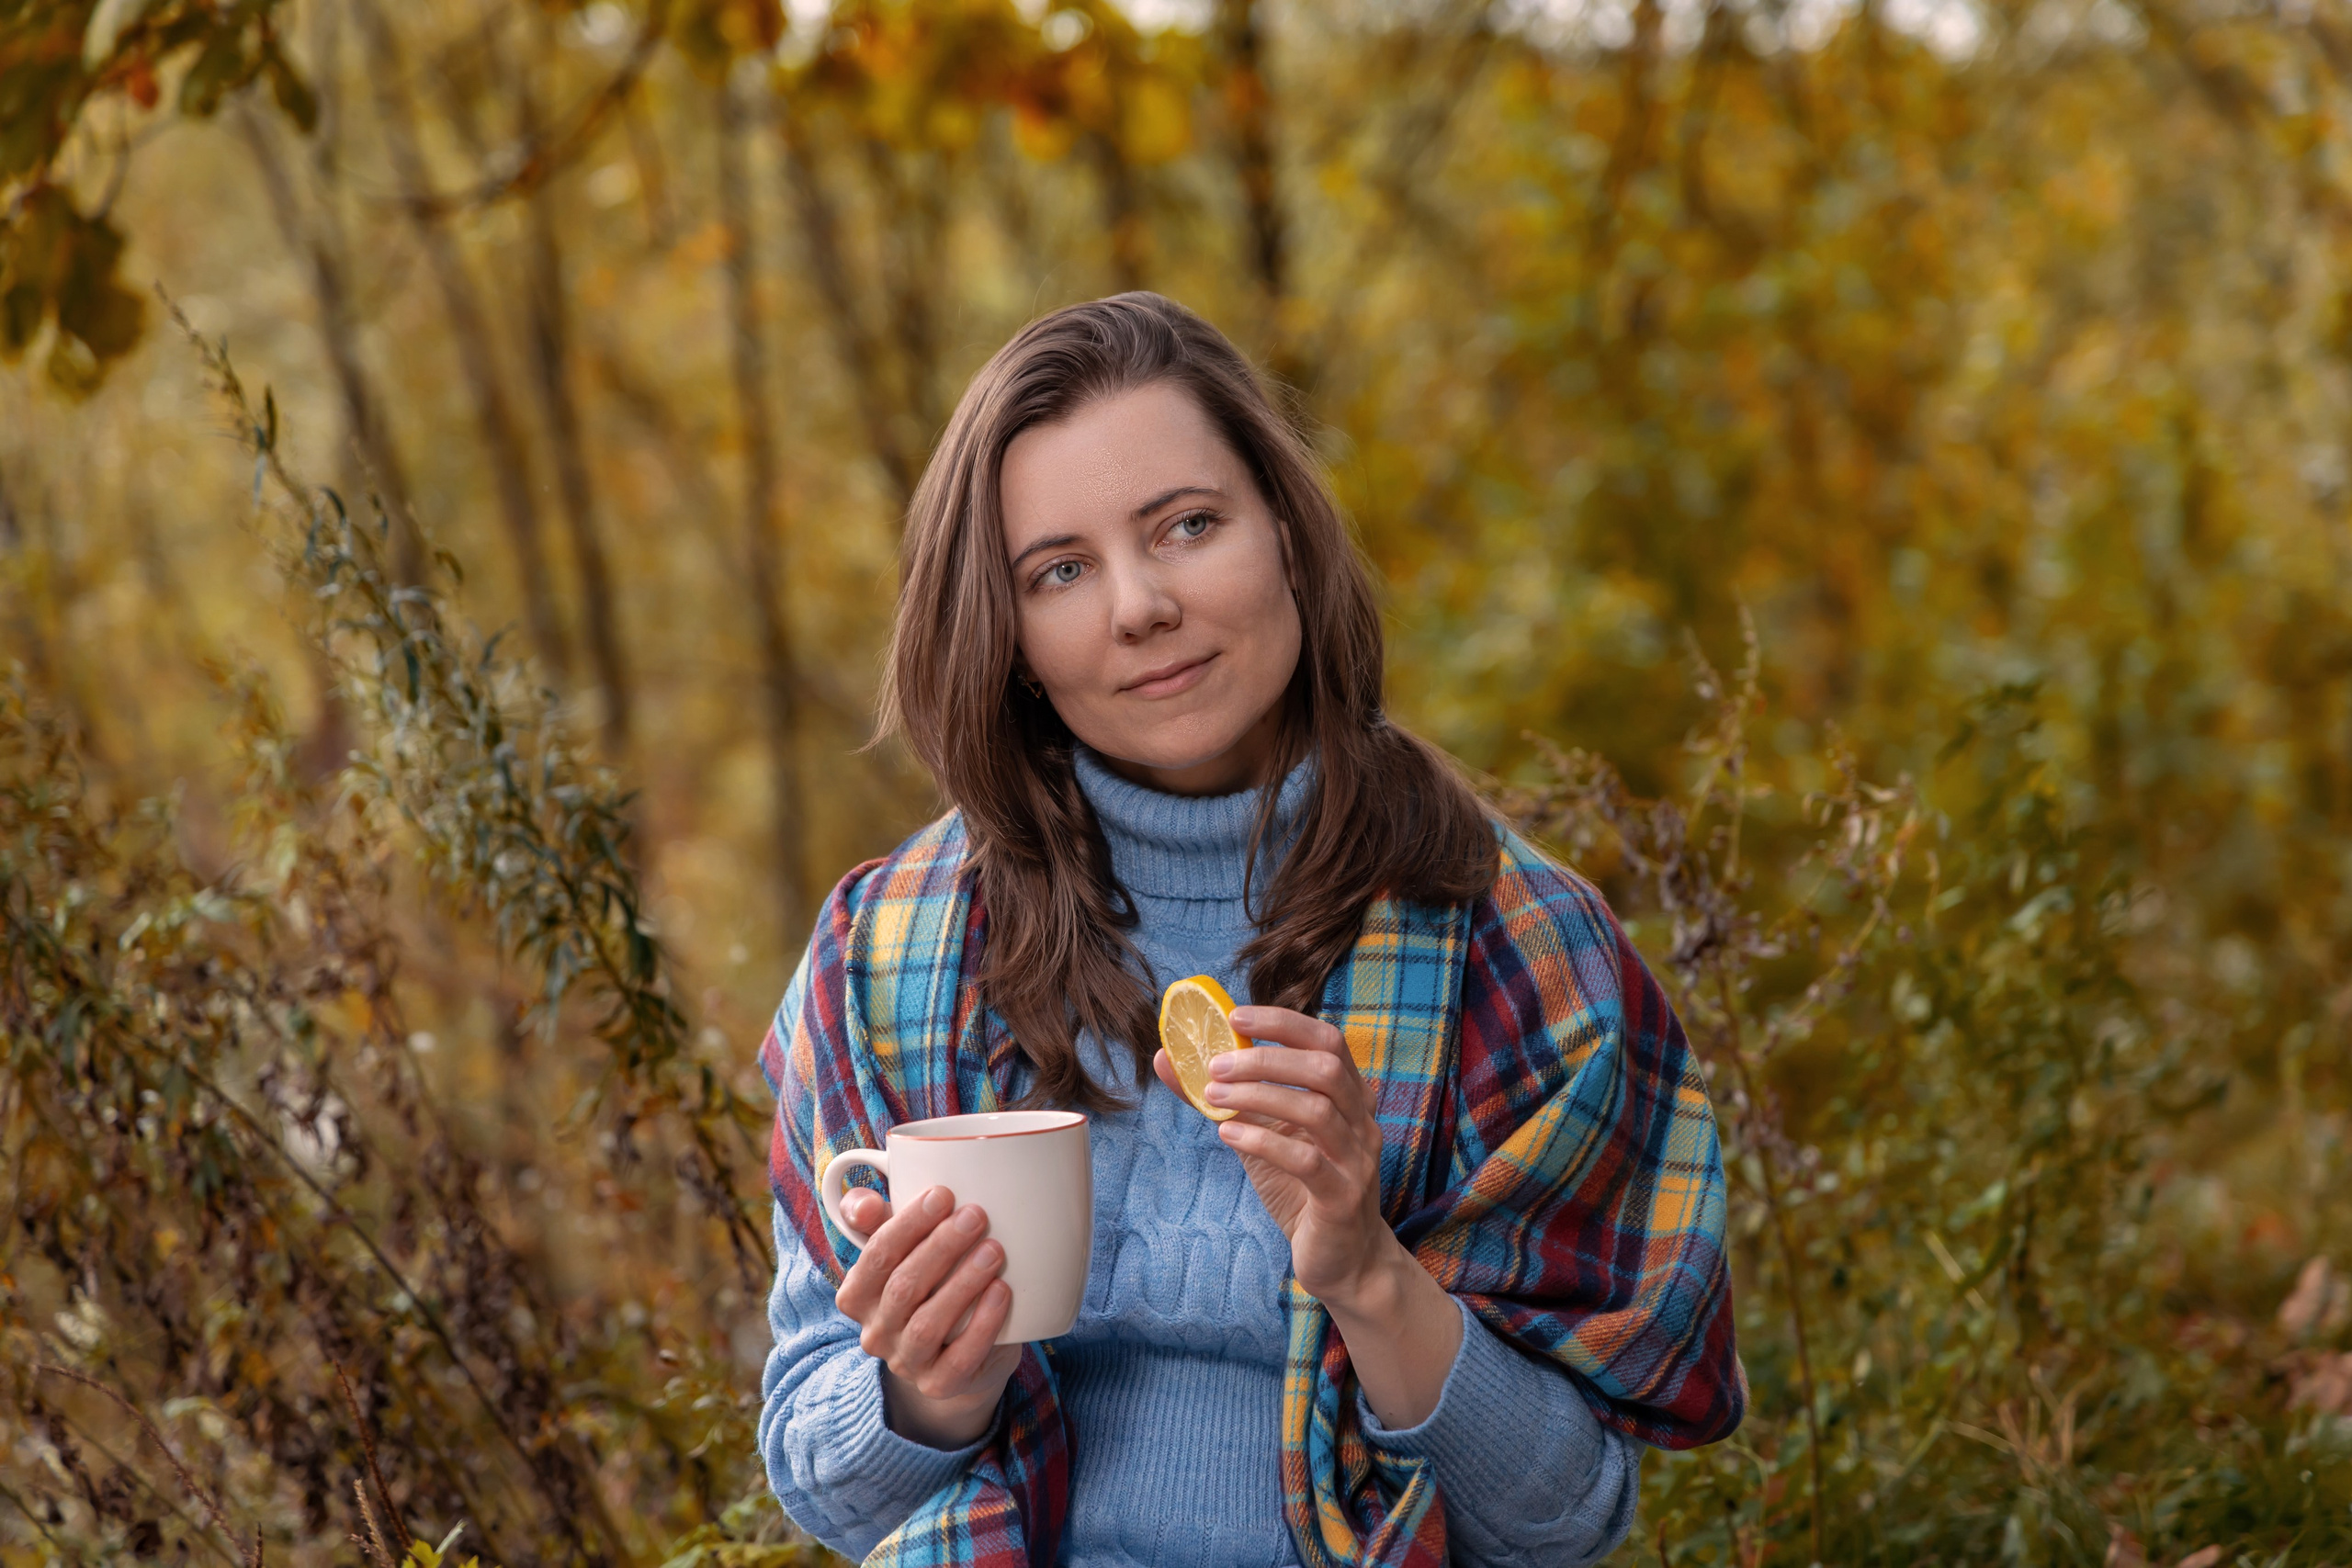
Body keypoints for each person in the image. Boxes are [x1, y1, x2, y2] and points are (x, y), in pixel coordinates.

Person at [756, 292, 1744, 1568]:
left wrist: (1369, 1270)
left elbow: (1565, 1520)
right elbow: (823, 1489)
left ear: (1284, 530)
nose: (1139, 606)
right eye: (1059, 571)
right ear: (1007, 640)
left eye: (1188, 527)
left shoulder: (1519, 948)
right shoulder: (889, 954)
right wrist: (933, 1388)